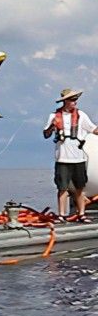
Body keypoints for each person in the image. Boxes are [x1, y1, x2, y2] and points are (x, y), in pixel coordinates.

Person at [43, 89, 98, 222]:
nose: (75, 102)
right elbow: (46, 134)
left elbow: (94, 129)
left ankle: (81, 214)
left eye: (75, 99)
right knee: (62, 188)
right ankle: (62, 214)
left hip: (79, 157)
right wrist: (52, 126)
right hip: (62, 158)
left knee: (80, 187)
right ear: (65, 101)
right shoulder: (54, 116)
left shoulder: (81, 115)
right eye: (72, 100)